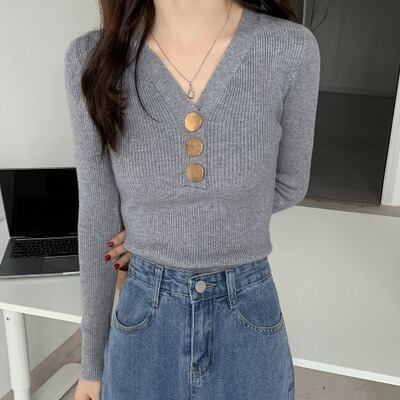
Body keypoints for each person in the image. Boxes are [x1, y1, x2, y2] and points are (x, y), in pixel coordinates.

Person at [64, 0, 320, 399]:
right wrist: (92, 364)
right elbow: (98, 215)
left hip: (247, 316)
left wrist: (168, 227)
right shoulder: (92, 58)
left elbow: (289, 183)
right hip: (143, 323)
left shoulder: (289, 48)